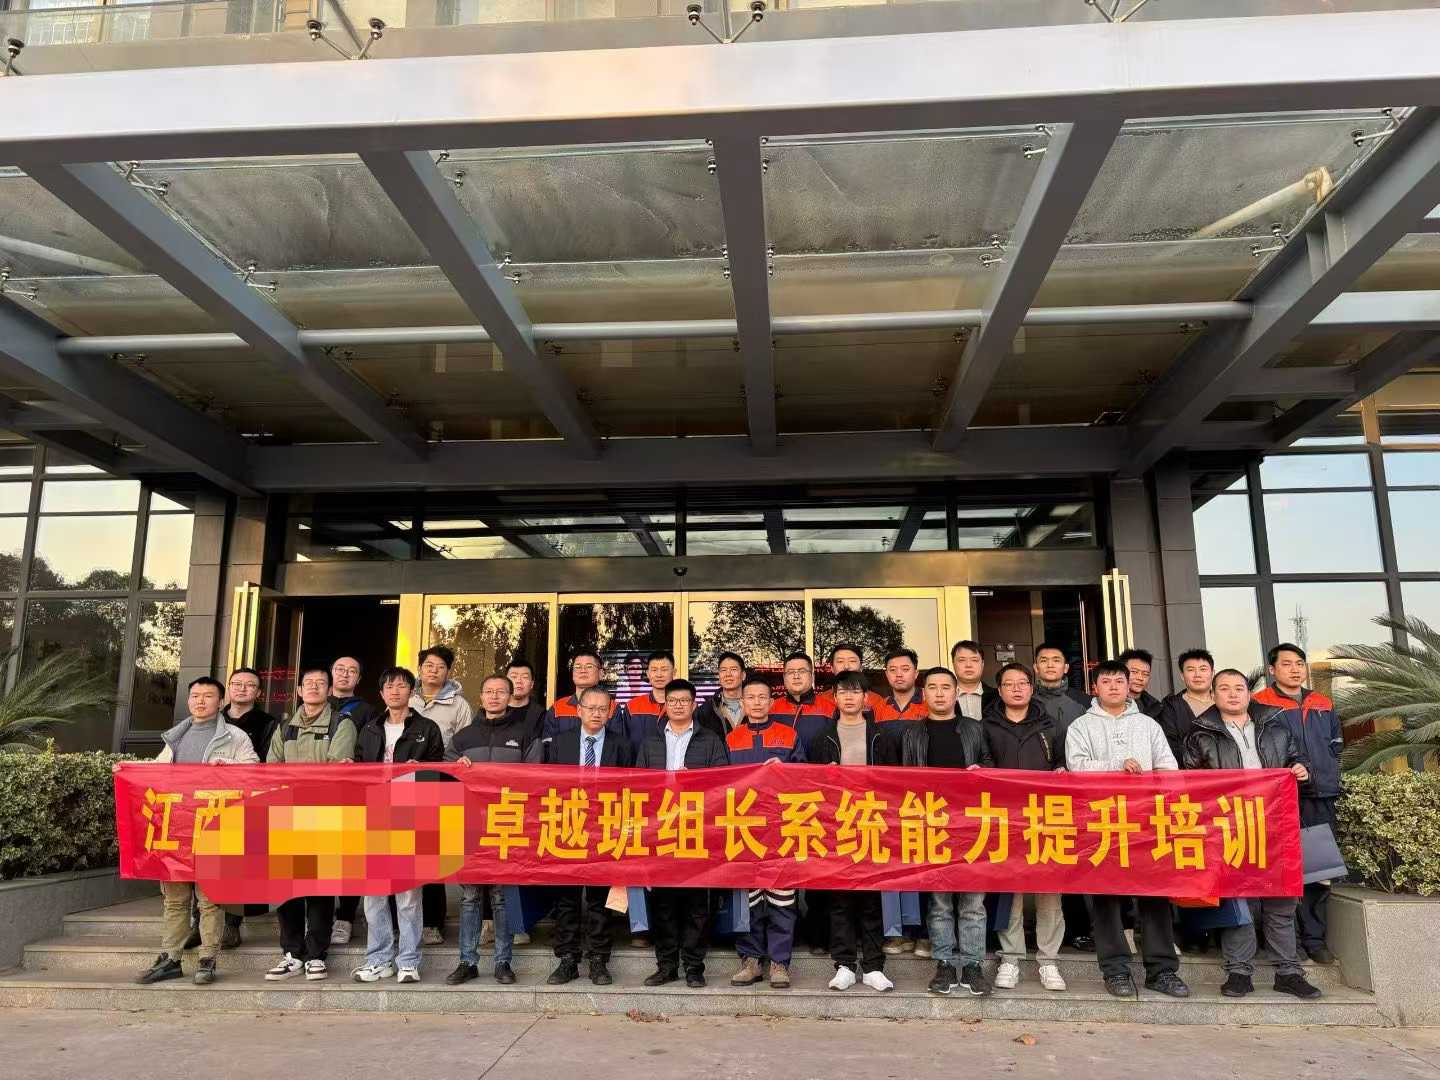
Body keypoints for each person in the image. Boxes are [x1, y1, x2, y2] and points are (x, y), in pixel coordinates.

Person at [1183, 669, 1323, 1001]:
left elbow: (1302, 769)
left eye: (1239, 688)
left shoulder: (1277, 730)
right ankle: (1238, 972)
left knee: (1281, 901)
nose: (1232, 694)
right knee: (1238, 901)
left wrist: (1302, 771)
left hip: (1275, 826)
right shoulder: (1200, 735)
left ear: (1249, 694)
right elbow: (1190, 787)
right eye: (1224, 689)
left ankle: (1288, 972)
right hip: (1229, 829)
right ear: (1213, 695)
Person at [1065, 658, 1189, 1000]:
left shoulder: (1148, 725)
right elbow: (1076, 767)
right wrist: (1116, 766)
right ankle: (1115, 969)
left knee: (1154, 895)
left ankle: (1161, 970)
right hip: (1101, 821)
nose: (1114, 687)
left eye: (1119, 680)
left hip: (1146, 820)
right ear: (1095, 688)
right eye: (1106, 682)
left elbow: (1168, 767)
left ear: (1129, 685)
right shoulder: (1080, 726)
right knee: (1105, 897)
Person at [134, 677, 258, 987]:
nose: (200, 701)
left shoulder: (235, 736)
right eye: (195, 695)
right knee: (174, 900)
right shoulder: (176, 736)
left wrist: (229, 765)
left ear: (221, 701)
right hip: (176, 829)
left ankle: (207, 959)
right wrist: (128, 770)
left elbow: (254, 773)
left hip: (215, 827)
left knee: (210, 899)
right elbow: (155, 773)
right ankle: (170, 958)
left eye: (208, 696)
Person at [886, 666, 994, 996]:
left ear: (956, 692)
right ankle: (944, 962)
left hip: (970, 825)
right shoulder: (912, 733)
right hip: (931, 824)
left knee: (973, 903)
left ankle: (973, 965)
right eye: (932, 687)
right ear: (924, 694)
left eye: (946, 687)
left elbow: (991, 765)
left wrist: (982, 771)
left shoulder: (974, 729)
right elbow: (902, 779)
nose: (939, 693)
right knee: (940, 903)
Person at [445, 673, 542, 986]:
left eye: (501, 691)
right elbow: (445, 775)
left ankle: (503, 961)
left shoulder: (525, 734)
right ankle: (467, 961)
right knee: (470, 896)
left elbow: (535, 778)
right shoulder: (463, 737)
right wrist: (456, 767)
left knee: (501, 896)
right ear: (481, 696)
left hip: (507, 821)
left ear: (510, 697)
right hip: (470, 823)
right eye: (489, 691)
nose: (495, 696)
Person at [350, 666, 445, 984]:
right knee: (374, 895)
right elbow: (359, 770)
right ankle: (378, 960)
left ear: (411, 692)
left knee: (408, 897)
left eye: (402, 686)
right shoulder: (370, 729)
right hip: (373, 818)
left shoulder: (427, 728)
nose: (395, 691)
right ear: (381, 693)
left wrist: (424, 769)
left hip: (410, 818)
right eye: (389, 686)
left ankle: (408, 961)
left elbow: (441, 773)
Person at [634, 678, 730, 988]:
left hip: (696, 829)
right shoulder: (650, 742)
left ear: (693, 705)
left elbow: (723, 782)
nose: (677, 705)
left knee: (696, 904)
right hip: (660, 830)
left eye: (683, 701)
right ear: (665, 705)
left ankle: (693, 967)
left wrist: (696, 782)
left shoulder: (711, 740)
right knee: (663, 903)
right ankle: (666, 966)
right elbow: (638, 785)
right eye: (672, 701)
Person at [264, 667, 358, 983]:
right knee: (285, 887)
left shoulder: (341, 723)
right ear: (299, 691)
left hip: (324, 815)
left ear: (330, 690)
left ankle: (316, 955)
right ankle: (291, 954)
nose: (314, 688)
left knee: (319, 887)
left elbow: (335, 770)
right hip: (286, 815)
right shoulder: (284, 727)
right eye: (308, 683)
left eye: (320, 683)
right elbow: (272, 769)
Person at [1253, 642, 1342, 966]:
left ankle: (1315, 939)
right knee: (1281, 868)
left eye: (1299, 663)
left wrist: (1326, 771)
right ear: (1272, 669)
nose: (1295, 669)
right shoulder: (1260, 703)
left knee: (1319, 870)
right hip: (1280, 799)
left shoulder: (1323, 702)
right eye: (1287, 664)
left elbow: (1336, 744)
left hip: (1320, 796)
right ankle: (1287, 942)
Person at [982, 663, 1067, 993]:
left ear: (1032, 688)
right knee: (1010, 891)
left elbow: (1061, 763)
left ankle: (1049, 960)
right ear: (1000, 690)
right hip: (1004, 818)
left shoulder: (1050, 725)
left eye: (1022, 683)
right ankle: (1011, 958)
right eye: (1009, 684)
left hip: (1045, 817)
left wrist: (1061, 771)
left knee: (1049, 891)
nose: (1016, 689)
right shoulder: (986, 726)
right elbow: (984, 765)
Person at [809, 671, 894, 993]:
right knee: (840, 898)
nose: (849, 697)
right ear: (834, 698)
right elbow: (808, 783)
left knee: (872, 897)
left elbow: (896, 779)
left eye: (855, 691)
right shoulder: (822, 738)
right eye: (843, 692)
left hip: (873, 820)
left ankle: (873, 966)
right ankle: (844, 964)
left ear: (866, 698)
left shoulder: (881, 736)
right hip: (836, 823)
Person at [543, 686, 633, 986]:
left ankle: (598, 959)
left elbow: (632, 788)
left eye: (602, 708)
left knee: (599, 898)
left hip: (606, 826)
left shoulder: (623, 745)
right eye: (590, 708)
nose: (596, 713)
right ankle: (567, 959)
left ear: (610, 712)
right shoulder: (560, 742)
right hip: (568, 825)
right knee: (566, 897)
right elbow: (546, 785)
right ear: (578, 710)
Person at [726, 673, 807, 990]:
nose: (757, 703)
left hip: (781, 827)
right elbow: (720, 782)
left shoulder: (789, 735)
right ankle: (750, 961)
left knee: (782, 899)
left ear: (772, 702)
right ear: (742, 702)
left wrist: (786, 770)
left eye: (762, 697)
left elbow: (806, 777)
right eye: (751, 697)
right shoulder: (731, 739)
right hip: (744, 828)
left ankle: (779, 963)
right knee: (747, 900)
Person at [410, 645, 474, 945]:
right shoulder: (406, 698)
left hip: (440, 783)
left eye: (440, 666)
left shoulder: (459, 706)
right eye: (428, 665)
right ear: (420, 668)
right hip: (404, 785)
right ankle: (401, 922)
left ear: (448, 672)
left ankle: (432, 921)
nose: (433, 671)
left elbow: (465, 745)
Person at [216, 667, 278, 949]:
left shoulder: (268, 723)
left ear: (259, 693)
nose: (242, 689)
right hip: (211, 799)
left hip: (247, 798)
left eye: (249, 685)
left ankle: (231, 924)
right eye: (236, 683)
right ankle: (200, 921)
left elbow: (267, 761)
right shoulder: (213, 718)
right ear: (228, 688)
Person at [330, 654, 377, 947]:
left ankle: (345, 917)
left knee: (351, 857)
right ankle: (319, 916)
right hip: (316, 794)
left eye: (351, 671)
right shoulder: (312, 706)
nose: (345, 674)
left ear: (358, 679)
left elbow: (370, 749)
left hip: (352, 792)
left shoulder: (366, 711)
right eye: (339, 669)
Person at [541, 649, 631, 744]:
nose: (583, 670)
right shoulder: (558, 708)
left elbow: (616, 745)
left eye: (589, 666)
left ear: (601, 674)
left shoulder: (612, 707)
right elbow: (548, 745)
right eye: (578, 667)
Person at [1155, 648, 1215, 769]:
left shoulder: (1226, 702)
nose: (1197, 675)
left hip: (1229, 772)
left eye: (1203, 669)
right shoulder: (1171, 706)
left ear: (1213, 673)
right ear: (1182, 675)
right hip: (1189, 774)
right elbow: (1170, 746)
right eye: (1191, 670)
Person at [771, 651, 832, 752]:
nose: (796, 676)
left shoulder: (830, 709)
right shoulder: (771, 709)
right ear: (784, 678)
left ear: (812, 676)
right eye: (790, 672)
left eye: (802, 671)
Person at [1032, 642, 1086, 744]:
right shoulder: (1026, 701)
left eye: (1056, 660)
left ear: (1066, 668)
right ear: (1036, 668)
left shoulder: (1082, 702)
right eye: (1044, 660)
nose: (1050, 665)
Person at [814, 643, 885, 715]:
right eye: (840, 661)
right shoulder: (821, 700)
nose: (846, 666)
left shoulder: (876, 701)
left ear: (861, 667)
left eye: (852, 661)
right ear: (832, 668)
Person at [624, 649, 676, 740]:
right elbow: (624, 743)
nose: (659, 675)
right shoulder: (632, 707)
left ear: (674, 672)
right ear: (647, 674)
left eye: (664, 669)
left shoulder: (685, 706)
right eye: (654, 670)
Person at [695, 651, 747, 737]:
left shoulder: (755, 706)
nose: (728, 674)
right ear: (718, 676)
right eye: (723, 670)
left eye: (733, 669)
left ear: (743, 675)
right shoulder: (705, 711)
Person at [874, 647, 927, 722]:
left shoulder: (931, 701)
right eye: (893, 670)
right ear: (886, 674)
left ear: (916, 673)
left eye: (905, 669)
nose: (899, 674)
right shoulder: (878, 708)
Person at [950, 640, 999, 719]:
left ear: (982, 664)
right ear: (953, 664)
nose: (968, 665)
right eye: (962, 660)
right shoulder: (943, 696)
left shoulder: (998, 697)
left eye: (974, 660)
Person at [506, 658, 545, 743]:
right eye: (514, 677)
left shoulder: (541, 715)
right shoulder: (493, 711)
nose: (519, 681)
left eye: (524, 677)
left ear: (532, 684)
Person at [1119, 647, 1162, 718]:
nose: (1140, 678)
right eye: (1134, 672)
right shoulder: (1108, 705)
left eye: (1145, 674)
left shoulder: (1156, 707)